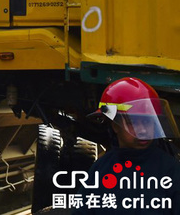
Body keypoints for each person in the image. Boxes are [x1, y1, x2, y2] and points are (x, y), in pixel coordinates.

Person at [72, 77, 180, 214]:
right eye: (133, 122)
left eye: (147, 122)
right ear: (114, 125)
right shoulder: (101, 169)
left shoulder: (171, 170)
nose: (142, 130)